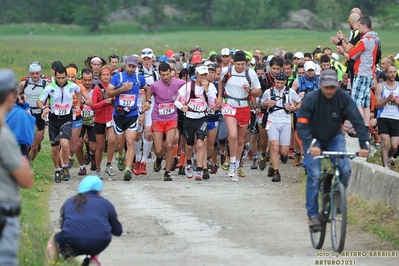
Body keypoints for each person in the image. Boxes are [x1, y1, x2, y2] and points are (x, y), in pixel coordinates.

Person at [296, 69, 369, 230]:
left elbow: (357, 120)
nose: (329, 91)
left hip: (334, 138)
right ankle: (313, 215)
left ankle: (337, 196)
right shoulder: (311, 99)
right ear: (320, 85)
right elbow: (301, 125)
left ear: (337, 86)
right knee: (314, 175)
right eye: (326, 87)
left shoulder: (343, 98)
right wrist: (311, 145)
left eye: (332, 87)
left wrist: (364, 145)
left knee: (345, 169)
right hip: (313, 139)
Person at [45, 175, 122, 266]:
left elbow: (64, 227)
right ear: (99, 191)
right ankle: (93, 260)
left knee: (53, 242)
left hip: (73, 240)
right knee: (97, 231)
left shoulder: (69, 202)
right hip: (100, 241)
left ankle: (52, 264)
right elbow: (118, 231)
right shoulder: (106, 204)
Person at [0, 69, 34, 266]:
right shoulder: (4, 135)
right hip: (4, 211)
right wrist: (24, 165)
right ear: (12, 96)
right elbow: (26, 180)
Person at [218, 51, 261, 181]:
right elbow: (220, 81)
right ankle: (231, 163)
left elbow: (258, 92)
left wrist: (249, 90)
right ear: (233, 62)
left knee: (241, 139)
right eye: (238, 64)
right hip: (229, 105)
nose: (240, 67)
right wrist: (220, 96)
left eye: (243, 64)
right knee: (232, 135)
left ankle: (237, 164)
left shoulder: (250, 73)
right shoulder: (227, 71)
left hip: (244, 106)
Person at [105, 55, 149, 181]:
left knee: (130, 142)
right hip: (118, 115)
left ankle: (128, 169)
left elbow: (147, 89)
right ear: (125, 65)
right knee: (120, 144)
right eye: (129, 66)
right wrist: (122, 89)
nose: (131, 69)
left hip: (132, 114)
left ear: (136, 67)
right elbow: (108, 93)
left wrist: (148, 101)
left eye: (133, 67)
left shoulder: (139, 78)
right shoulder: (117, 77)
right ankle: (120, 155)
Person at [37, 66, 82, 183]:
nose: (61, 80)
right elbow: (39, 101)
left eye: (63, 78)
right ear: (55, 77)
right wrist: (44, 108)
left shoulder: (72, 86)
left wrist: (77, 105)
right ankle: (57, 169)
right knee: (55, 148)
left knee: (65, 143)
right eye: (58, 78)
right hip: (53, 120)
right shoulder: (49, 88)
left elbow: (79, 91)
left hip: (66, 119)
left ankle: (65, 166)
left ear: (67, 76)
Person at [143, 63, 186, 181]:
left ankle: (167, 172)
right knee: (158, 150)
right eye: (163, 75)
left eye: (167, 74)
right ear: (160, 75)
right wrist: (147, 101)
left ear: (170, 73)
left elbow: (189, 86)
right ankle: (159, 158)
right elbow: (148, 91)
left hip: (172, 118)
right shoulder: (155, 86)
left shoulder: (178, 83)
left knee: (170, 144)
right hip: (158, 118)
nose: (166, 77)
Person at [175, 65, 217, 181]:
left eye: (205, 75)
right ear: (196, 75)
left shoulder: (211, 87)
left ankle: (198, 170)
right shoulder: (188, 86)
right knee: (189, 145)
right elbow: (177, 101)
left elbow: (214, 104)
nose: (203, 77)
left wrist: (207, 90)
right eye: (201, 75)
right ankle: (188, 162)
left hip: (202, 117)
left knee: (200, 143)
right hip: (189, 118)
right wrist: (182, 106)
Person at [260, 71, 301, 182]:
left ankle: (283, 155)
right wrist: (266, 104)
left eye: (282, 83)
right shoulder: (268, 92)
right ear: (274, 81)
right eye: (277, 82)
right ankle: (276, 172)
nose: (279, 85)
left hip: (286, 122)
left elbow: (299, 102)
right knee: (274, 146)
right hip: (272, 120)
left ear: (285, 82)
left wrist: (294, 109)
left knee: (283, 151)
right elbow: (261, 104)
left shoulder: (291, 92)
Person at [18, 62, 50, 161]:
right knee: (26, 143)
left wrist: (46, 110)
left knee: (35, 146)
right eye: (33, 73)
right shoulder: (24, 84)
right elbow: (17, 97)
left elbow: (49, 98)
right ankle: (25, 164)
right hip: (28, 115)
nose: (35, 75)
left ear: (41, 73)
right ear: (29, 73)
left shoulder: (46, 84)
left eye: (37, 73)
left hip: (40, 115)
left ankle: (30, 162)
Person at [91, 66, 117, 178]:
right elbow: (93, 106)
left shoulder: (114, 87)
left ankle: (109, 164)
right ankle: (97, 168)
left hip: (110, 119)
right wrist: (104, 102)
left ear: (111, 76)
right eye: (104, 75)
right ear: (100, 76)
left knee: (111, 140)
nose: (106, 77)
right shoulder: (97, 88)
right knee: (100, 146)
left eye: (108, 74)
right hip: (99, 120)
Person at [375, 66, 399, 169]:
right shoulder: (381, 87)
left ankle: (388, 158)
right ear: (386, 74)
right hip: (383, 116)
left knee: (394, 145)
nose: (393, 74)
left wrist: (394, 100)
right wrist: (386, 100)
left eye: (394, 72)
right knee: (384, 142)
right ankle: (385, 167)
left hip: (396, 118)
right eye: (390, 72)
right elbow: (377, 105)